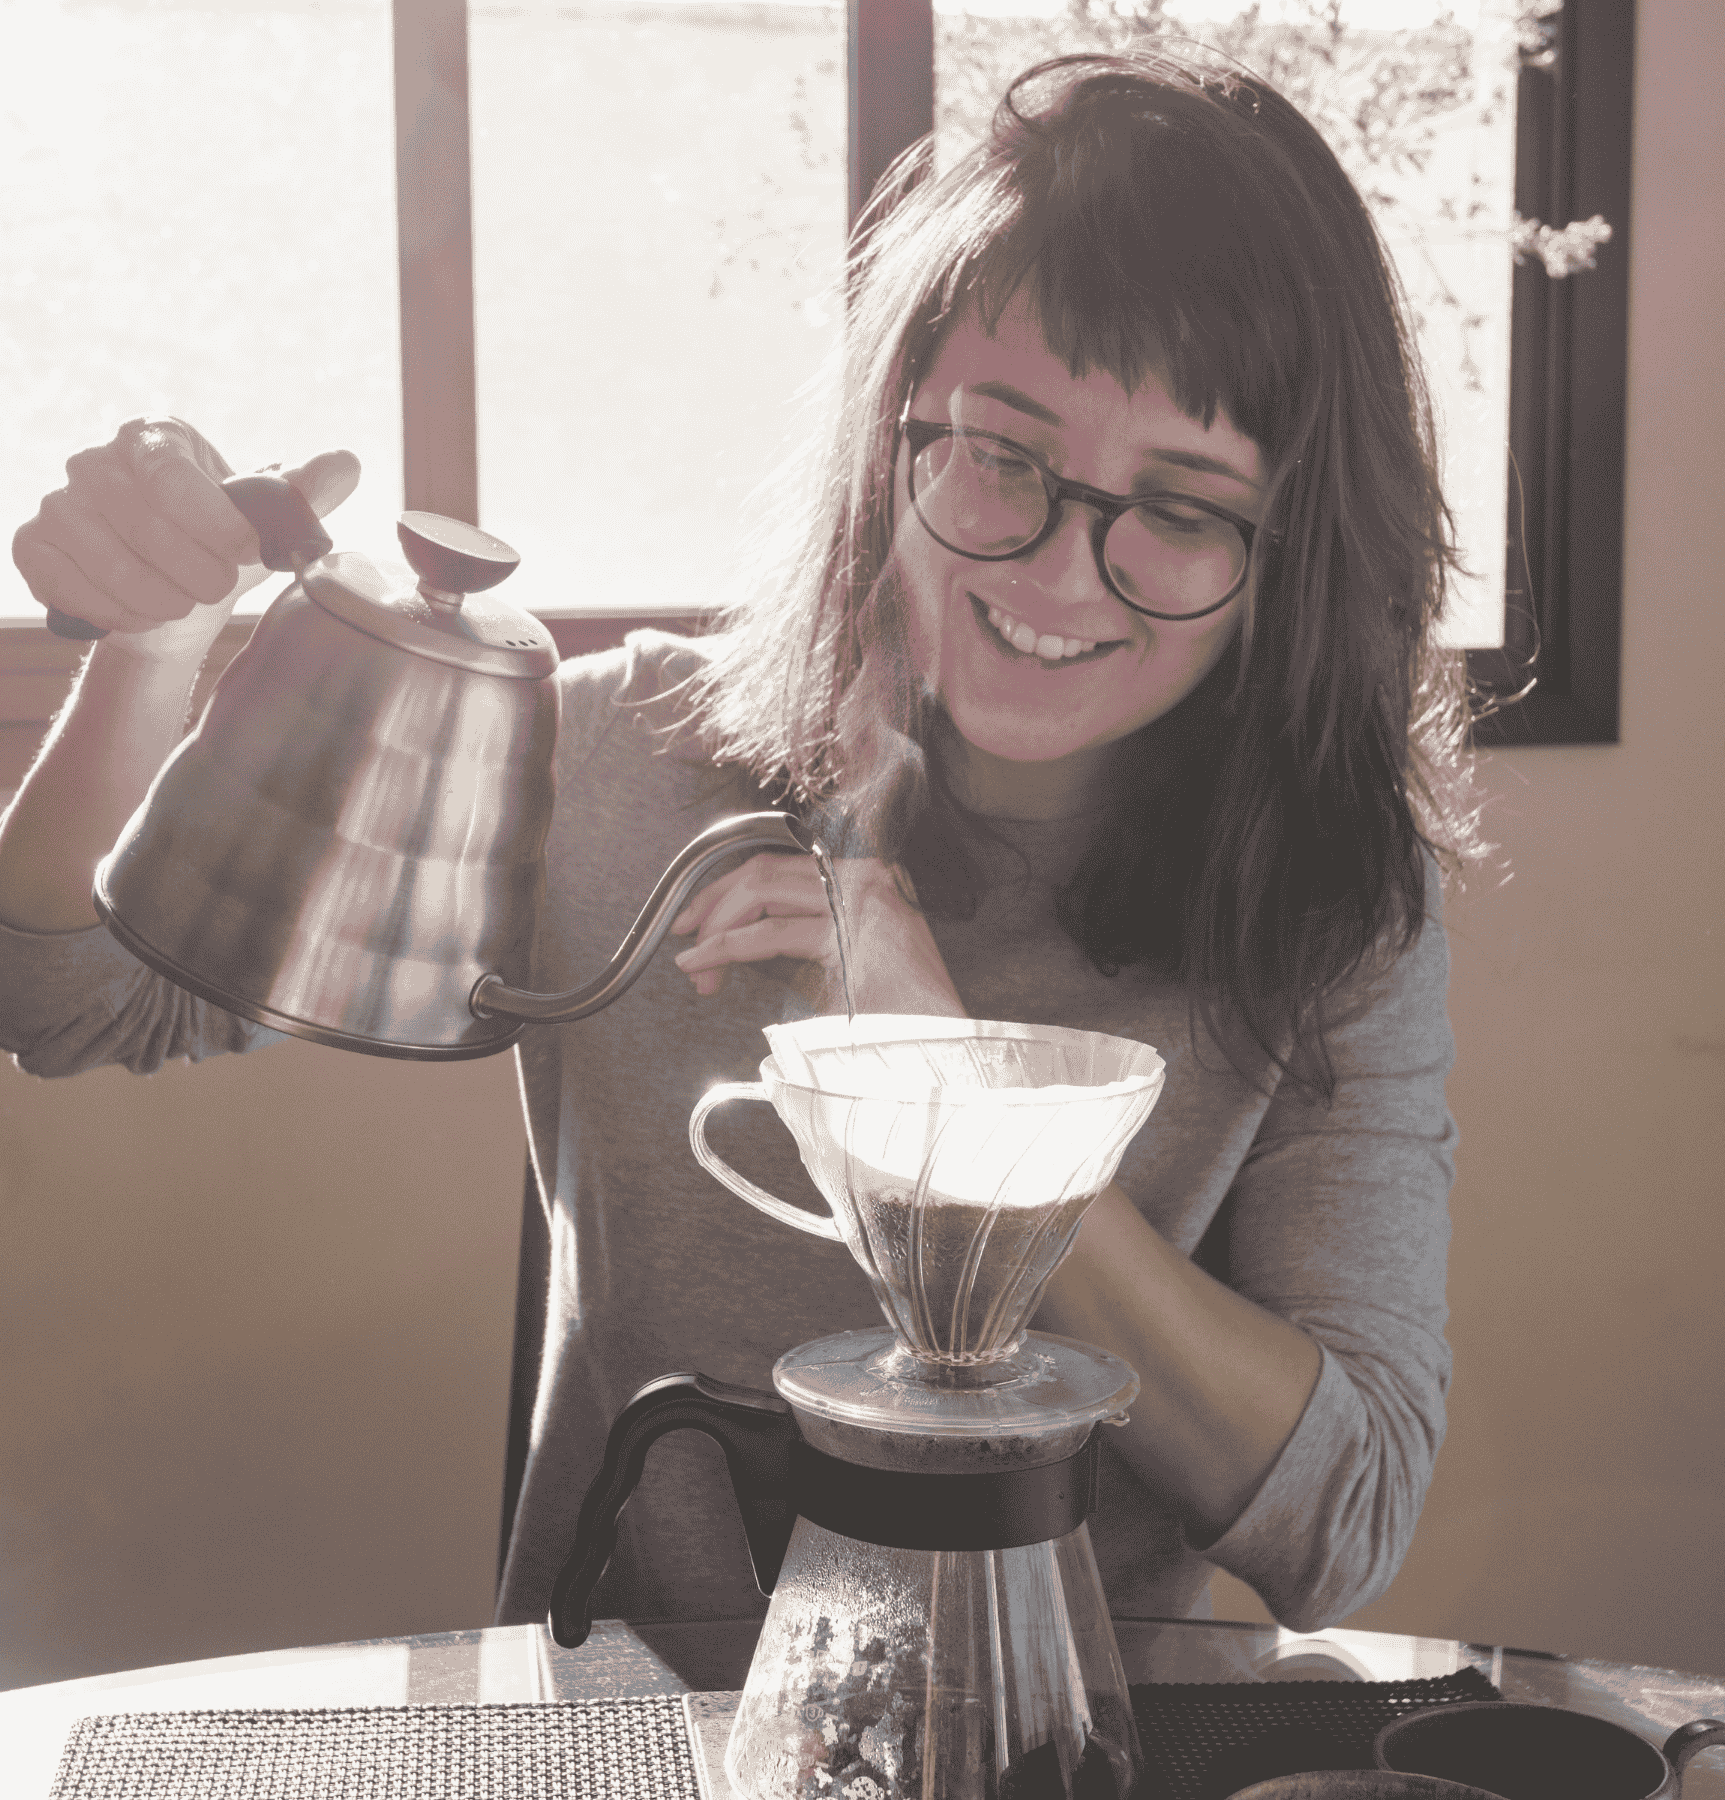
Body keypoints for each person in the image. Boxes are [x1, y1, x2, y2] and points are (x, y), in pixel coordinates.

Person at [1, 51, 1480, 1634]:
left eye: (1180, 509)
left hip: (1077, 1736)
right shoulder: (613, 758)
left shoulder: (1329, 909)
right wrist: (150, 650)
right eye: (998, 455)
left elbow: (1343, 1525)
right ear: (891, 429)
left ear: (1290, 553)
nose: (1058, 575)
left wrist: (964, 1109)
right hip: (625, 1724)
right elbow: (75, 1000)